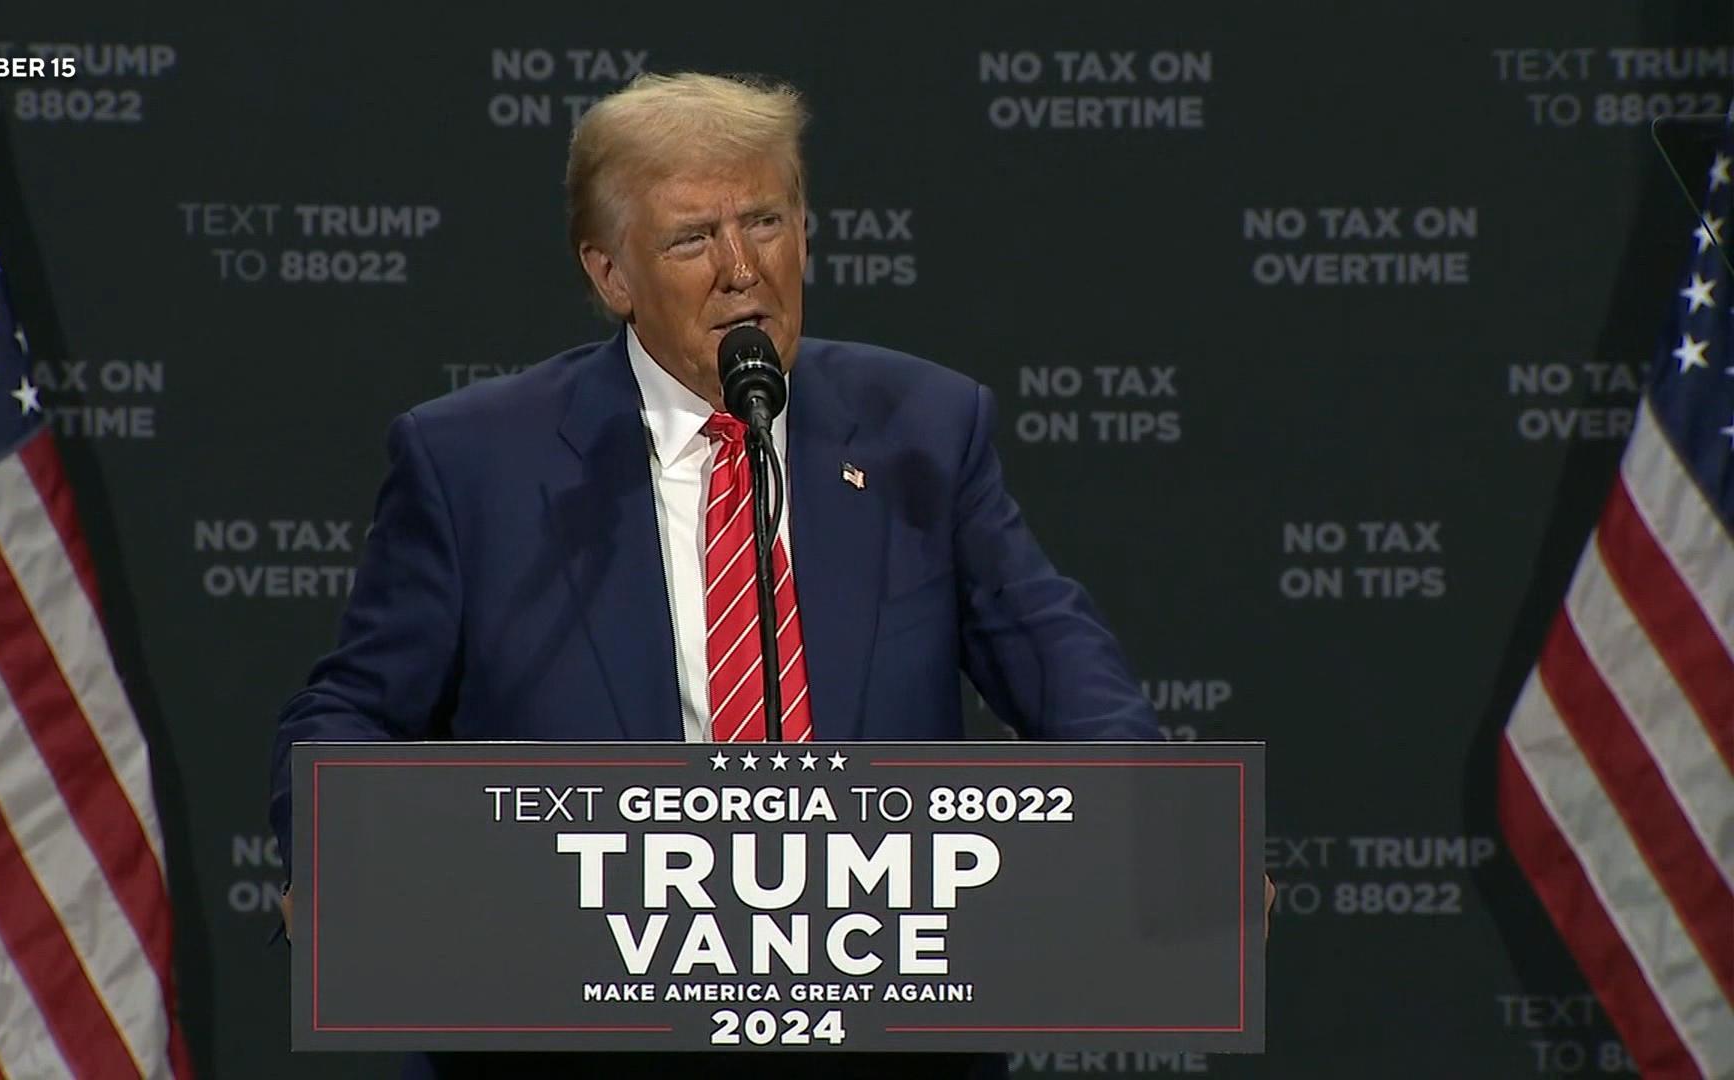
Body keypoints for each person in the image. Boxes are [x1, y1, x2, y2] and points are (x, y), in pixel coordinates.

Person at [268, 71, 1188, 1080]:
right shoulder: (475, 463)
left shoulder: (922, 430)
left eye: (766, 222)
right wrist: (342, 855)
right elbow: (350, 711)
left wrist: (1155, 834)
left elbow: (1062, 668)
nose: (742, 270)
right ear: (611, 274)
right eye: (692, 239)